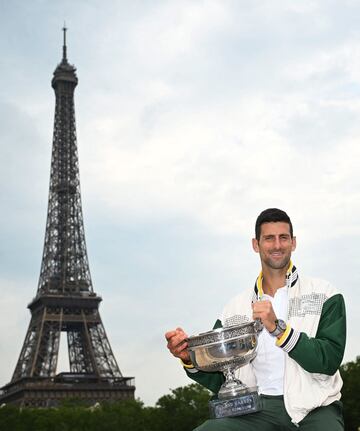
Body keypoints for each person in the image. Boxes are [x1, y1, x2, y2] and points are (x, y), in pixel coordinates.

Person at [165, 208, 346, 430]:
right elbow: (221, 379)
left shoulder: (325, 294)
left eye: (283, 238)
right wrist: (189, 358)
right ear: (256, 244)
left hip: (315, 409)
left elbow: (329, 361)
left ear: (294, 243)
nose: (277, 245)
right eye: (269, 238)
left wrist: (279, 330)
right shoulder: (234, 308)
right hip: (254, 410)